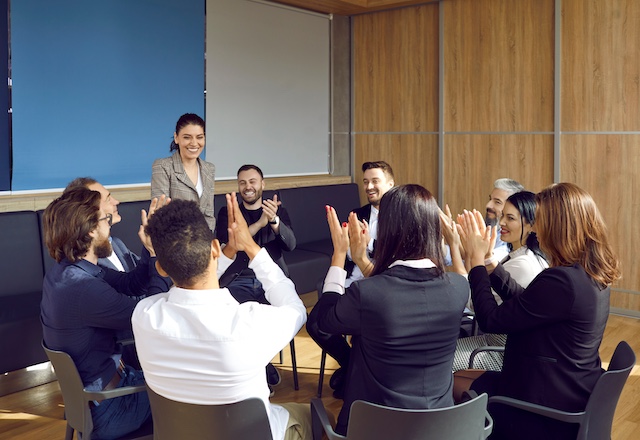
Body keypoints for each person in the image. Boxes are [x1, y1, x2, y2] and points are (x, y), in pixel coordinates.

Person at [132, 197, 311, 440]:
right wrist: (252, 249)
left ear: (161, 268)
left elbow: (187, 281)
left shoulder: (144, 316)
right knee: (315, 416)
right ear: (214, 248)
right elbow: (296, 309)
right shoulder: (251, 324)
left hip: (180, 433)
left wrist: (226, 252)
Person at [454, 182, 621, 440]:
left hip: (543, 406)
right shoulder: (590, 273)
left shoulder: (561, 281)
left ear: (557, 227)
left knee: (452, 384)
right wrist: (489, 263)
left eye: (540, 220)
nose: (536, 228)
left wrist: (475, 262)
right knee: (463, 377)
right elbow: (528, 303)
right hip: (569, 387)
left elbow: (490, 320)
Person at [313, 184, 469, 435]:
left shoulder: (368, 293)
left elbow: (324, 320)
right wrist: (363, 260)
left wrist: (339, 255)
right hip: (440, 427)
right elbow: (400, 288)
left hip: (375, 428)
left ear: (387, 230)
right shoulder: (459, 288)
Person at [41, 188, 171, 439]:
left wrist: (148, 248)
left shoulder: (68, 271)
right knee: (196, 389)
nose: (109, 225)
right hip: (113, 406)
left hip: (100, 397)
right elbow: (151, 317)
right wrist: (157, 255)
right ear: (90, 229)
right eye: (105, 219)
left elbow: (131, 283)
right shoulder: (83, 287)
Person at [305, 160, 395, 398]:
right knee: (316, 324)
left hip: (383, 285)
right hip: (351, 282)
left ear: (391, 183)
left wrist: (367, 247)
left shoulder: (401, 216)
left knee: (366, 331)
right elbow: (345, 255)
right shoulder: (358, 214)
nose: (369, 186)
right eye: (366, 182)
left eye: (375, 181)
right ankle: (351, 365)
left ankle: (354, 376)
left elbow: (396, 257)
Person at [446, 191, 548, 371]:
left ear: (532, 224)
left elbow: (475, 303)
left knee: (438, 360)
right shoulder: (519, 256)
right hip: (491, 342)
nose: (501, 223)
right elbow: (480, 282)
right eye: (502, 216)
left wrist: (456, 245)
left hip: (500, 353)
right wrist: (481, 254)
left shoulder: (523, 264)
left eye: (510, 218)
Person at [215, 164, 297, 391]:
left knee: (266, 318)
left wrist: (274, 221)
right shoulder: (228, 212)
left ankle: (260, 364)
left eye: (252, 181)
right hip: (238, 277)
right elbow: (231, 245)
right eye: (242, 182)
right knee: (237, 319)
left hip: (270, 279)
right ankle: (261, 367)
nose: (247, 187)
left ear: (262, 184)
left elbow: (290, 245)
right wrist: (261, 222)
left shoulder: (276, 210)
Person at [151, 113, 216, 231]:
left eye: (199, 137)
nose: (194, 143)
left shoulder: (209, 169)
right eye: (187, 137)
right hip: (172, 241)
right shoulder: (163, 166)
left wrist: (205, 242)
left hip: (202, 242)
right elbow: (162, 215)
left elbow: (209, 215)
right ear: (176, 138)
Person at [64, 177, 139, 272]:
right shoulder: (89, 258)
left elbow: (141, 273)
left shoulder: (116, 243)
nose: (116, 202)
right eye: (108, 199)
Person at [484, 178, 524, 261]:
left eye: (497, 202)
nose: (488, 205)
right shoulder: (491, 229)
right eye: (490, 199)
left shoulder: (508, 242)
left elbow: (481, 265)